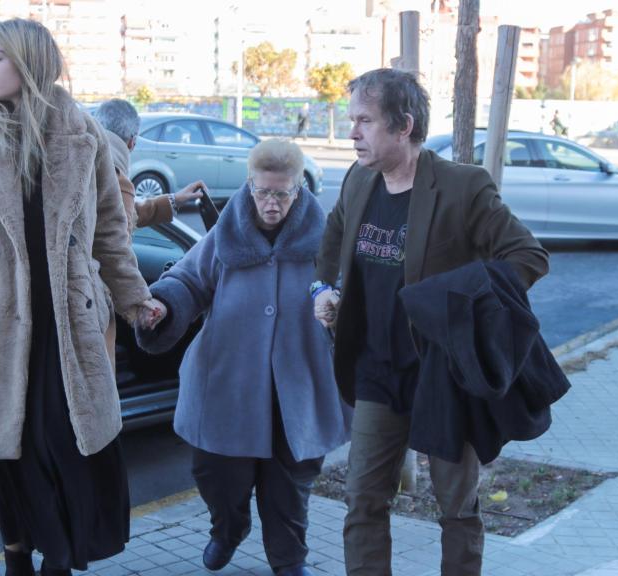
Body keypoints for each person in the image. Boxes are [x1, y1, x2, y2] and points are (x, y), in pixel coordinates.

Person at [0, 18, 166, 576]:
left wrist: (133, 297)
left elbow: (108, 234)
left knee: (64, 443)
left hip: (67, 322)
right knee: (9, 449)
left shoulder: (85, 139)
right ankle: (15, 555)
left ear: (29, 62)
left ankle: (59, 556)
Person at [312, 68, 549, 575]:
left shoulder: (462, 187)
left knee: (457, 508)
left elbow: (526, 256)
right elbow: (332, 237)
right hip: (376, 372)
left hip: (441, 377)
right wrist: (324, 288)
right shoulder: (358, 179)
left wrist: (459, 309)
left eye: (365, 121)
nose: (352, 132)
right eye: (351, 119)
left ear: (404, 126)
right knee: (363, 502)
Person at [136, 139, 350, 576]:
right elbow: (189, 280)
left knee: (289, 486)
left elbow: (347, 290)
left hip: (297, 389)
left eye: (282, 193)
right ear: (250, 185)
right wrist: (164, 305)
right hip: (228, 384)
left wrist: (339, 305)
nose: (272, 204)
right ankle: (228, 529)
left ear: (300, 190)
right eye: (263, 192)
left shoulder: (324, 237)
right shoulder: (227, 232)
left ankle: (290, 561)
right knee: (217, 476)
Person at [93, 98, 204, 232]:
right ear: (132, 142)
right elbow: (116, 244)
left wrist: (174, 200)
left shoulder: (77, 161)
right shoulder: (117, 180)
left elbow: (124, 214)